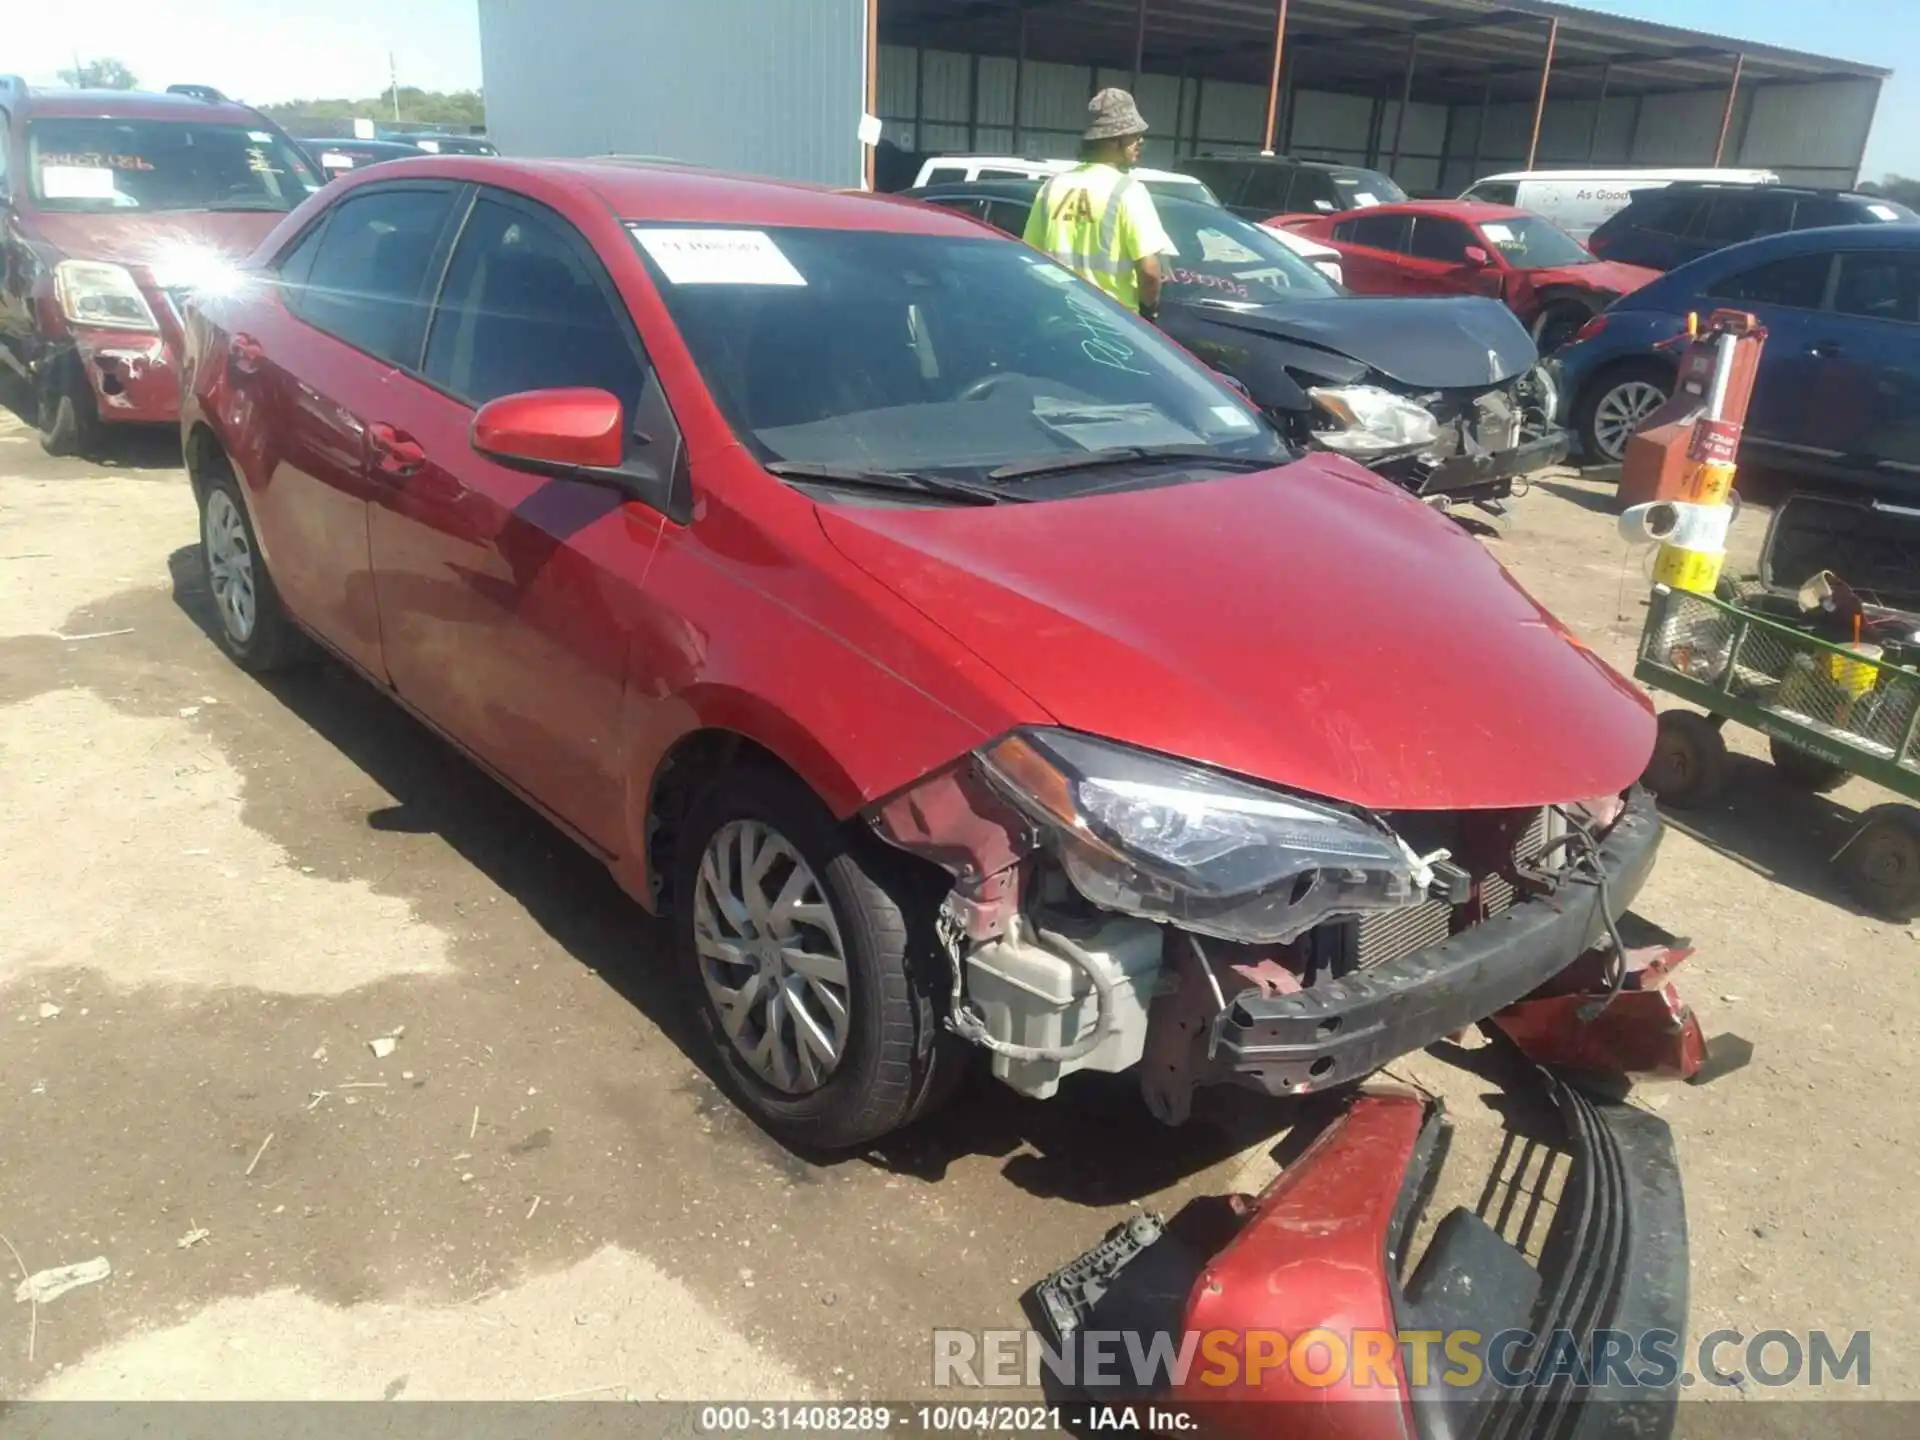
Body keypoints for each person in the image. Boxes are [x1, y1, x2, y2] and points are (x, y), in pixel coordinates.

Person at [1022, 88, 1170, 321]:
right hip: (1111, 328)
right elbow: (1150, 273)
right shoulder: (1128, 191)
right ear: (1112, 141)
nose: (1140, 141)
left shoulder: (1052, 187)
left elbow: (1030, 258)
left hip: (1055, 319)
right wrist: (1149, 312)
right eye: (1133, 135)